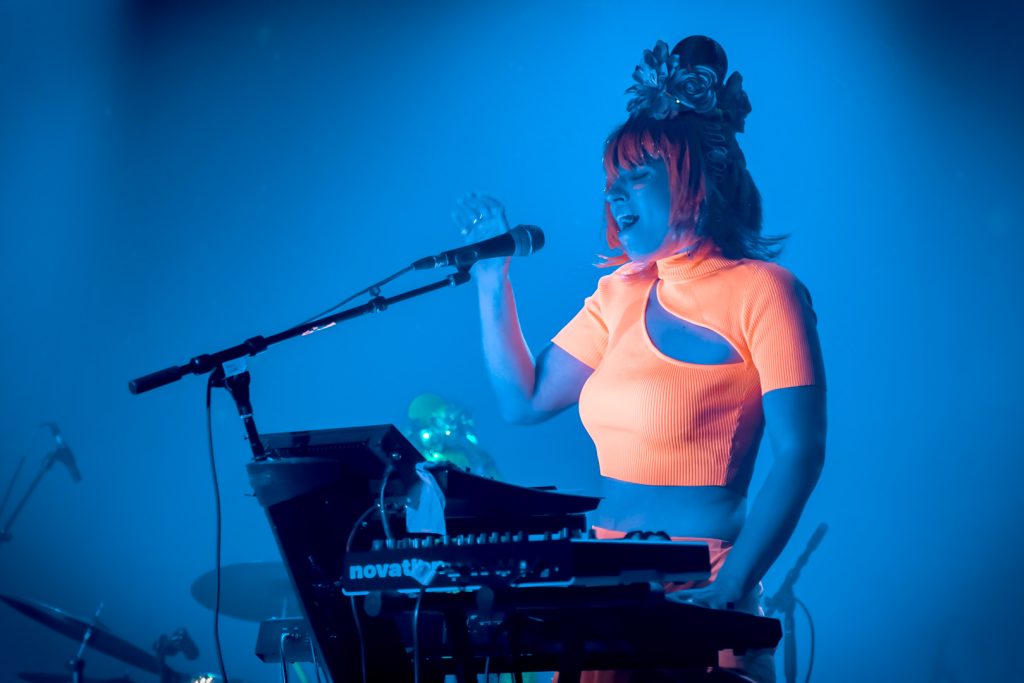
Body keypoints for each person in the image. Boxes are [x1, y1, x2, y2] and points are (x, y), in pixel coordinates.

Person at [453, 35, 826, 683]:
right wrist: (492, 280)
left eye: (636, 177)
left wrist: (735, 583)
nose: (615, 198)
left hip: (706, 586)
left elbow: (801, 451)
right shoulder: (617, 295)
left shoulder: (765, 291)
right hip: (597, 589)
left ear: (693, 179)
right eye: (610, 183)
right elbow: (524, 399)